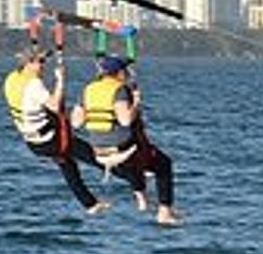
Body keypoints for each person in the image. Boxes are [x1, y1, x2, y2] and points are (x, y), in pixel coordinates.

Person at [72, 54, 183, 226]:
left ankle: (143, 198)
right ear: (119, 73)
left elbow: (76, 122)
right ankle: (164, 213)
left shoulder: (88, 89)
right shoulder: (120, 89)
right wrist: (136, 102)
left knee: (139, 164)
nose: (127, 74)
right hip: (122, 150)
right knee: (163, 164)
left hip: (99, 151)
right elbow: (125, 120)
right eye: (125, 70)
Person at [3, 45, 109, 214]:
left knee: (68, 165)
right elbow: (53, 105)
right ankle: (130, 172)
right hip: (50, 140)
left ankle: (90, 205)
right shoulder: (33, 84)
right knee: (93, 155)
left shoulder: (11, 78)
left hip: (33, 142)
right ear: (29, 63)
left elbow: (32, 106)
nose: (44, 66)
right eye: (41, 62)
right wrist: (60, 80)